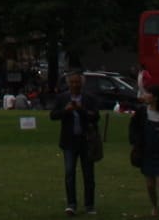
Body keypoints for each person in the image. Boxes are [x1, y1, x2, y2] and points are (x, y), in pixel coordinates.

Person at [50, 71, 99, 216]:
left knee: (88, 174)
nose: (75, 85)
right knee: (69, 173)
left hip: (86, 141)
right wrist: (66, 110)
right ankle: (71, 204)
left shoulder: (89, 98)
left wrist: (80, 109)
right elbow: (53, 115)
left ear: (82, 83)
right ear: (68, 83)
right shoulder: (62, 98)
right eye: (72, 82)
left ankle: (89, 205)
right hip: (69, 141)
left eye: (77, 82)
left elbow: (95, 117)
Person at [127, 84, 159, 220]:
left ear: (155, 97)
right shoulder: (142, 112)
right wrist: (134, 143)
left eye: (147, 94)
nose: (144, 96)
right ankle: (154, 206)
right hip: (147, 152)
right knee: (150, 184)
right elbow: (133, 128)